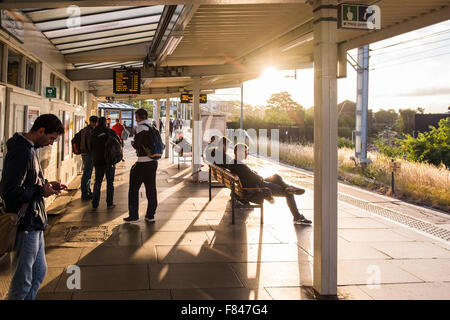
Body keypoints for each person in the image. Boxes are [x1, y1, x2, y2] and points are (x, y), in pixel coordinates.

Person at [0, 114, 65, 300]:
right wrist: (40, 191)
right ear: (41, 131)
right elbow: (10, 191)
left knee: (37, 274)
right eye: (51, 138)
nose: (52, 143)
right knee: (23, 280)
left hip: (34, 222)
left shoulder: (29, 148)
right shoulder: (21, 151)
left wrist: (46, 184)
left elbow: (28, 180)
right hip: (25, 223)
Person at [228, 143, 312, 225]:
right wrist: (257, 175)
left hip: (253, 186)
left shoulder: (234, 163)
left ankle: (288, 187)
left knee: (276, 177)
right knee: (289, 193)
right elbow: (256, 178)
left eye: (247, 152)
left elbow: (249, 175)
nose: (247, 154)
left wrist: (254, 174)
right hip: (257, 189)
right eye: (245, 152)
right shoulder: (240, 166)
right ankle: (297, 217)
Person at [124, 108, 158, 223]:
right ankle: (150, 216)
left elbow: (138, 144)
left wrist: (134, 144)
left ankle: (133, 215)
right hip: (153, 162)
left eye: (136, 116)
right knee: (151, 190)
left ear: (139, 117)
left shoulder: (140, 128)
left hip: (142, 163)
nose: (135, 118)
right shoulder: (152, 127)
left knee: (133, 189)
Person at [90, 117, 119, 209]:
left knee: (97, 182)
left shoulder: (93, 132)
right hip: (109, 161)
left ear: (98, 123)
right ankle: (109, 203)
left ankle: (95, 204)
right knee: (110, 182)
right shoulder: (110, 132)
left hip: (98, 161)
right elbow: (118, 144)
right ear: (106, 123)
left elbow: (90, 146)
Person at [79, 115, 97, 200]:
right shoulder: (90, 131)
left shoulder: (84, 130)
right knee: (87, 174)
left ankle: (87, 191)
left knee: (87, 173)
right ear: (94, 122)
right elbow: (90, 144)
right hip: (89, 154)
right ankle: (85, 193)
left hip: (83, 153)